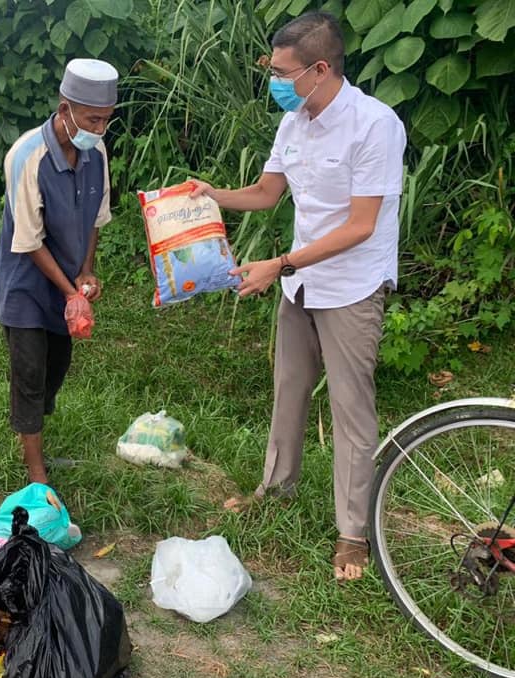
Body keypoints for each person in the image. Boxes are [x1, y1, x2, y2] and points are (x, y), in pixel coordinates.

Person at [193, 12, 407, 581]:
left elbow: (361, 225)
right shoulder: (295, 124)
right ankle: (276, 489)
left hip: (352, 288)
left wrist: (278, 263)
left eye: (282, 73)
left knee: (351, 410)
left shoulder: (374, 126)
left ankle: (353, 534)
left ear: (319, 69)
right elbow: (267, 193)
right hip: (302, 283)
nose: (274, 83)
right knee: (288, 391)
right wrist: (212, 195)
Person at [0, 58, 118, 485]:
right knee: (29, 372)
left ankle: (33, 442)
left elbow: (97, 218)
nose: (99, 129)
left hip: (67, 280)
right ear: (65, 109)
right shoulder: (26, 155)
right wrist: (71, 293)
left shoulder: (95, 151)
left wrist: (87, 272)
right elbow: (28, 240)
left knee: (55, 369)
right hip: (28, 285)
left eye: (106, 119)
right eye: (92, 119)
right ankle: (35, 472)